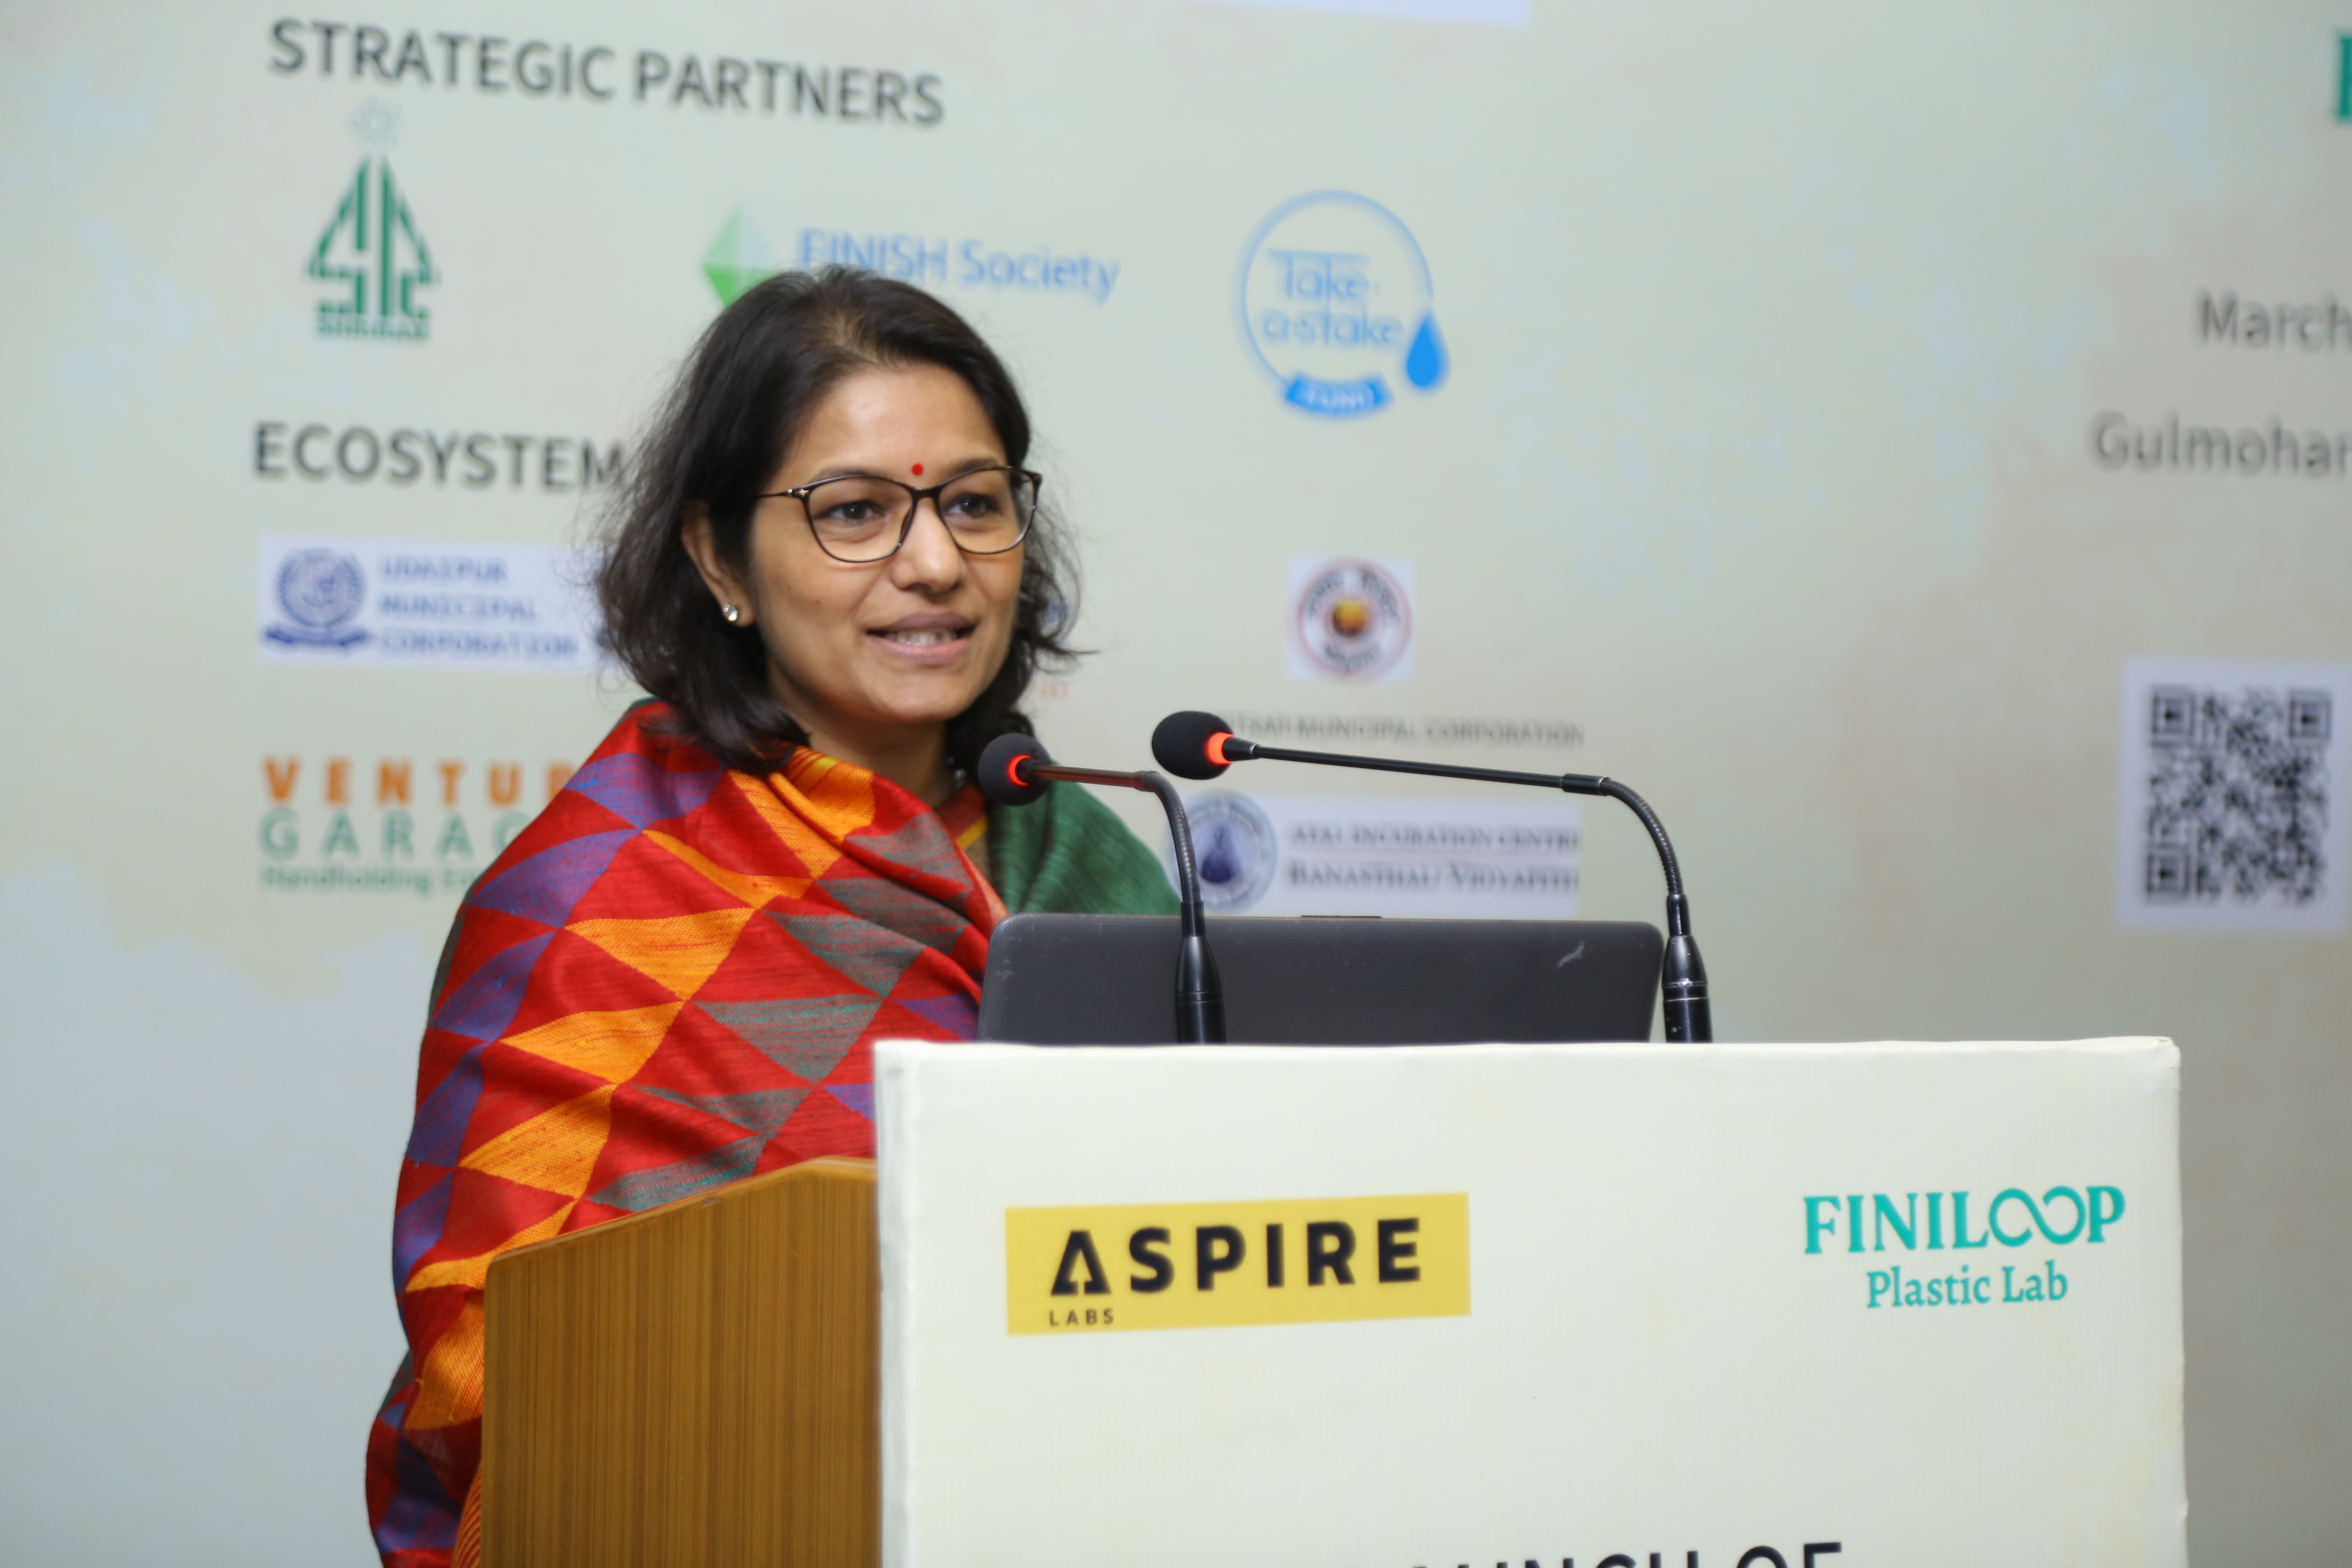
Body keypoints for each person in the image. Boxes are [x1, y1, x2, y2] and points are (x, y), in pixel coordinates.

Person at [364, 268, 1175, 1568]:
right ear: (718, 557)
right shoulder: (595, 894)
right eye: (853, 512)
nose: (934, 563)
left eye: (974, 504)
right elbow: (487, 1360)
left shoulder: (1085, 855)